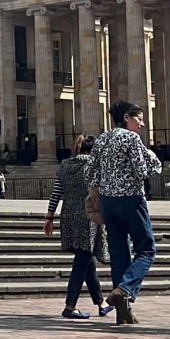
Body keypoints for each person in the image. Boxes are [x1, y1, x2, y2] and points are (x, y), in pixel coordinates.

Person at [87, 100, 161, 325]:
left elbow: (90, 171)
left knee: (119, 253)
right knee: (147, 249)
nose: (142, 124)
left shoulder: (102, 138)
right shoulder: (131, 138)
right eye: (139, 119)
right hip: (131, 199)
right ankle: (125, 288)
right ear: (127, 118)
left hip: (108, 202)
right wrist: (152, 160)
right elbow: (142, 171)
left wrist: (101, 188)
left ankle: (123, 312)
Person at [45, 135, 112, 320]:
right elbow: (101, 191)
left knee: (86, 259)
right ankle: (70, 305)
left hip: (68, 216)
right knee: (82, 260)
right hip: (88, 217)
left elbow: (56, 193)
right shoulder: (93, 166)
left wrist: (49, 217)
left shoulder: (65, 165)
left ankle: (101, 303)